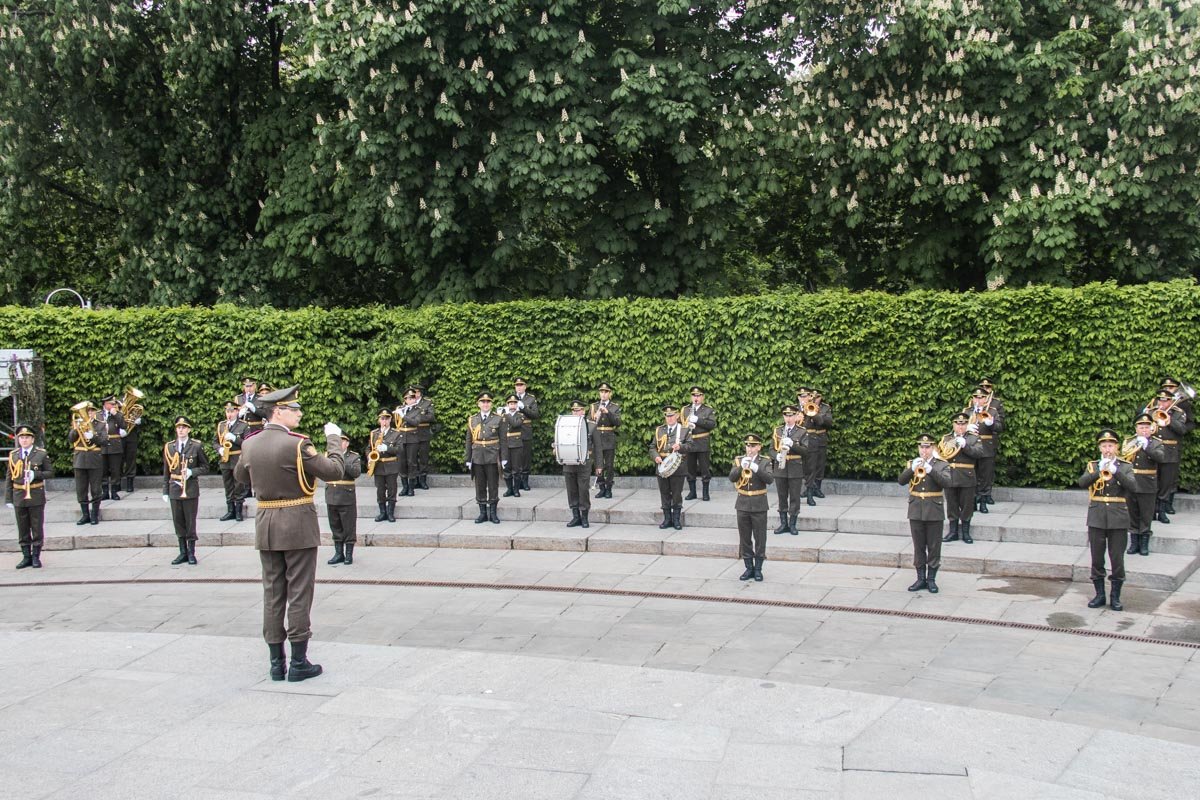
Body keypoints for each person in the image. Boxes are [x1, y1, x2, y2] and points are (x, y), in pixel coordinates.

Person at [233, 385, 346, 682]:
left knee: (272, 593)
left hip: (266, 521)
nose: (299, 413)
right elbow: (334, 471)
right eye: (294, 409)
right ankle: (298, 662)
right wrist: (334, 439)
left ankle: (275, 664)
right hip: (297, 522)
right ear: (278, 411)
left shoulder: (250, 443)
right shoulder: (298, 444)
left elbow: (240, 476)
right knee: (299, 591)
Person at [1077, 429, 1137, 611]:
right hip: (1096, 517)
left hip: (1118, 517)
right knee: (1097, 558)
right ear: (1100, 448)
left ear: (1117, 447)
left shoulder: (1125, 466)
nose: (1107, 449)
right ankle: (1100, 595)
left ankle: (1115, 597)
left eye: (1110, 445)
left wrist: (1116, 472)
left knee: (1117, 558)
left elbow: (1133, 486)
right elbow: (1082, 483)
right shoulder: (1093, 465)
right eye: (1104, 446)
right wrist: (1098, 471)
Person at [898, 433, 952, 593]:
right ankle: (920, 578)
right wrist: (912, 469)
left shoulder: (941, 465)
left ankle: (931, 579)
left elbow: (947, 483)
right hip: (915, 510)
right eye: (922, 447)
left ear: (933, 448)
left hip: (934, 510)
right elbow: (901, 480)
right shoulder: (912, 463)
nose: (924, 450)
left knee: (934, 546)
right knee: (919, 546)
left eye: (927, 447)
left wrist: (931, 470)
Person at [162, 416, 208, 566]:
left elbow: (205, 467)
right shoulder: (169, 447)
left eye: (184, 427)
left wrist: (191, 472)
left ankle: (191, 552)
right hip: (175, 487)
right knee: (178, 521)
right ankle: (182, 552)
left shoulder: (196, 446)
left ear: (188, 429)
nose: (181, 430)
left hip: (190, 488)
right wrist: (165, 490)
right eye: (178, 427)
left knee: (190, 521)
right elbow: (166, 471)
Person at [6, 424, 52, 569]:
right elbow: (9, 478)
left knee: (37, 526)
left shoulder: (41, 454)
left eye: (27, 438)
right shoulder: (14, 455)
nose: (24, 440)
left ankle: (36, 557)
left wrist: (36, 474)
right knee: (23, 528)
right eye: (22, 438)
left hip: (35, 494)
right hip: (19, 494)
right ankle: (26, 556)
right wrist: (9, 498)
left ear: (32, 439)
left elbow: (50, 473)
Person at [730, 434, 775, 581]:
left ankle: (758, 569)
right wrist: (739, 468)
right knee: (745, 538)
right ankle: (748, 567)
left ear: (759, 447)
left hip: (759, 504)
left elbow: (769, 480)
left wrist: (755, 468)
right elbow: (732, 477)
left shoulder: (765, 462)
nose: (750, 449)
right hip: (742, 504)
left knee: (760, 538)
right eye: (748, 446)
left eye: (753, 446)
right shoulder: (738, 460)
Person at [940, 412, 986, 544]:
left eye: (964, 424)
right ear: (953, 424)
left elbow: (979, 453)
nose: (960, 427)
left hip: (967, 476)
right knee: (952, 504)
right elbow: (941, 455)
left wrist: (965, 445)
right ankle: (953, 532)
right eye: (958, 424)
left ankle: (966, 532)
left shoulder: (973, 438)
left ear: (967, 425)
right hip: (950, 476)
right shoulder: (946, 438)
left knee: (967, 505)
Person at [1125, 413, 1166, 557]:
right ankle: (1134, 541)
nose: (1144, 430)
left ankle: (1144, 542)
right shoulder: (1129, 441)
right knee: (1133, 513)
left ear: (1151, 428)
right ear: (1136, 428)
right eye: (1141, 427)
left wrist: (1146, 446)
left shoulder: (1156, 442)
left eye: (1147, 427)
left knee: (1146, 514)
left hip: (1148, 483)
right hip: (1131, 482)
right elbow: (1124, 457)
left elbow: (1160, 458)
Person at [466, 392, 510, 524]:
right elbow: (469, 440)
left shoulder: (498, 419)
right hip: (477, 456)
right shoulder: (472, 419)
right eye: (483, 402)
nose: (485, 404)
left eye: (488, 402)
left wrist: (504, 458)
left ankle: (493, 513)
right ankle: (482, 513)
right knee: (479, 485)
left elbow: (503, 439)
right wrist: (468, 458)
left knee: (493, 484)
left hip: (492, 455)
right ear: (478, 404)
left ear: (491, 404)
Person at [649, 404, 693, 530]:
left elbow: (690, 446)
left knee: (676, 494)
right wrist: (656, 457)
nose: (669, 418)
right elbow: (652, 447)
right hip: (662, 465)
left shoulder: (684, 430)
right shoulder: (659, 430)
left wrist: (681, 447)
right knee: (664, 493)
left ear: (677, 416)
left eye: (672, 416)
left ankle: (676, 519)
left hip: (678, 467)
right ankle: (667, 519)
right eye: (667, 416)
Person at [1146, 389, 1186, 523]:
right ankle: (1151, 511)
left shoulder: (1178, 413)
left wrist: (1169, 421)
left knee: (1166, 483)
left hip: (1170, 452)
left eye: (1165, 400)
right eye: (1160, 400)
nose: (1162, 403)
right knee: (1153, 481)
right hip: (1154, 451)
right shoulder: (1151, 412)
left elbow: (1182, 430)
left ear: (1170, 401)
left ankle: (1162, 511)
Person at [557, 399, 599, 528]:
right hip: (568, 463)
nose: (576, 413)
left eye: (579, 410)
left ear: (584, 411)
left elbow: (598, 447)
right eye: (574, 411)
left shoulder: (591, 426)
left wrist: (599, 465)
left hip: (584, 463)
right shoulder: (565, 425)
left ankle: (584, 517)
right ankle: (576, 517)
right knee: (572, 491)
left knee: (583, 490)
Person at [770, 404, 808, 536]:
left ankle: (792, 524)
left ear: (797, 416)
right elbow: (771, 450)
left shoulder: (802, 431)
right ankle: (783, 523)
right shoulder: (778, 431)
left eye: (791, 415)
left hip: (795, 468)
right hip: (780, 468)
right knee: (781, 496)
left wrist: (793, 444)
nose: (788, 418)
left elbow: (806, 451)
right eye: (786, 415)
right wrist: (777, 456)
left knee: (795, 497)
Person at [968, 380, 1006, 511]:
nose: (978, 399)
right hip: (971, 447)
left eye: (981, 397)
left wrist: (991, 424)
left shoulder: (993, 411)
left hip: (986, 446)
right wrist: (967, 427)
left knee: (986, 475)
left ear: (985, 399)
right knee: (971, 474)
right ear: (972, 399)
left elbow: (1001, 427)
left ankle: (984, 501)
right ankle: (972, 500)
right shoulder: (967, 411)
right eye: (976, 397)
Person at [325, 435, 362, 565]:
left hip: (346, 495)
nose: (339, 444)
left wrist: (341, 460)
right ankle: (338, 553)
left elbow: (356, 472)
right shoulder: (328, 456)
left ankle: (348, 554)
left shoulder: (353, 456)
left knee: (348, 526)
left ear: (347, 443)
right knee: (335, 525)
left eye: (342, 441)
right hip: (332, 495)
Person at [68, 400, 106, 526]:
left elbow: (104, 441)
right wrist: (76, 428)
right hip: (80, 459)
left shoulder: (100, 425)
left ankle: (94, 514)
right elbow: (71, 439)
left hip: (94, 458)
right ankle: (85, 515)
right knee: (81, 489)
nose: (89, 413)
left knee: (96, 488)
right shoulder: (77, 423)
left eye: (91, 411)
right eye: (87, 411)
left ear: (95, 412)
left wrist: (93, 437)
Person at [797, 387, 833, 505]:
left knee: (817, 466)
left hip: (816, 440)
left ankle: (813, 489)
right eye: (801, 396)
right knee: (805, 467)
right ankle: (809, 488)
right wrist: (802, 410)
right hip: (802, 440)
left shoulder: (822, 408)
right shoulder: (796, 409)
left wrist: (812, 412)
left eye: (805, 396)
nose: (804, 398)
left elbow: (823, 422)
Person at [216, 400, 250, 522]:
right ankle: (230, 510)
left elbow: (247, 443)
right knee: (228, 485)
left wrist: (235, 438)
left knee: (238, 484)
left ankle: (239, 511)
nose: (229, 414)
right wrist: (219, 449)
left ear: (237, 411)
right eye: (227, 411)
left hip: (237, 458)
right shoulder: (221, 425)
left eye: (231, 411)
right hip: (225, 459)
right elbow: (214, 442)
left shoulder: (243, 425)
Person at [683, 386, 717, 501]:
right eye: (693, 395)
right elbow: (681, 426)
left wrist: (698, 420)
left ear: (703, 397)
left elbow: (712, 425)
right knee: (690, 469)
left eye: (698, 396)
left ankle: (705, 493)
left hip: (702, 442)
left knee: (704, 469)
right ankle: (692, 492)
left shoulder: (708, 410)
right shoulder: (685, 409)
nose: (695, 398)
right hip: (690, 442)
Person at [367, 409, 401, 522]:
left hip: (391, 465)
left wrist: (387, 448)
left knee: (392, 489)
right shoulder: (374, 433)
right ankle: (382, 512)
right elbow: (368, 448)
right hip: (378, 466)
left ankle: (390, 513)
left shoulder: (396, 433)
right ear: (379, 420)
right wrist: (369, 457)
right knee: (380, 490)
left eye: (387, 418)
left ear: (390, 419)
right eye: (382, 419)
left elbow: (399, 449)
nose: (384, 421)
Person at [589, 382, 621, 498]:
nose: (603, 394)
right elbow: (589, 423)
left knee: (609, 465)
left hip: (608, 438)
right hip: (597, 438)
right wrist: (594, 418)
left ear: (610, 393)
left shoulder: (614, 407)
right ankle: (601, 487)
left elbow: (617, 423)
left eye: (606, 392)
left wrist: (608, 413)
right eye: (601, 392)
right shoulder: (593, 407)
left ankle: (608, 488)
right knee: (598, 464)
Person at [99, 394, 127, 501]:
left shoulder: (118, 414)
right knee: (103, 470)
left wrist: (116, 415)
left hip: (115, 445)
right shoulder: (98, 415)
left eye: (114, 404)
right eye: (111, 404)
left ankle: (114, 491)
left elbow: (124, 426)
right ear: (105, 404)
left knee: (115, 470)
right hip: (102, 445)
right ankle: (105, 492)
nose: (113, 406)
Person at [513, 378, 540, 491]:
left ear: (525, 386)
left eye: (521, 385)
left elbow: (535, 414)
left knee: (525, 457)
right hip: (513, 431)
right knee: (515, 457)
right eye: (517, 385)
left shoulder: (530, 398)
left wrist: (524, 408)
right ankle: (516, 482)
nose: (519, 387)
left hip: (525, 430)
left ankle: (525, 481)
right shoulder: (511, 398)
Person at [394, 391, 421, 497]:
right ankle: (404, 487)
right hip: (401, 439)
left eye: (412, 398)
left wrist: (403, 416)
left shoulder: (417, 410)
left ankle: (411, 488)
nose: (410, 401)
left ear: (415, 399)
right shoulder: (400, 409)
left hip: (412, 438)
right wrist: (399, 413)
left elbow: (416, 422)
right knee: (401, 463)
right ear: (405, 400)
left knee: (412, 463)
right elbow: (395, 424)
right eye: (408, 399)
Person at [410, 384, 436, 490]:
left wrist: (417, 417)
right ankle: (415, 479)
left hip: (423, 432)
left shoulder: (427, 403)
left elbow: (431, 416)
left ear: (420, 392)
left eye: (415, 392)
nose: (414, 394)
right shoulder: (408, 403)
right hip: (412, 433)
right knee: (412, 458)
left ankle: (423, 480)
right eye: (412, 392)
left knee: (423, 457)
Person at [501, 395, 525, 498]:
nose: (512, 405)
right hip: (505, 444)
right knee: (506, 468)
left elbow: (515, 424)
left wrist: (507, 415)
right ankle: (509, 489)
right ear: (507, 404)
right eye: (510, 403)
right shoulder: (502, 416)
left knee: (516, 469)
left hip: (516, 444)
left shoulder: (520, 415)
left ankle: (516, 490)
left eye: (514, 403)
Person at [121, 403, 143, 495]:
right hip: (119, 436)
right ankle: (117, 484)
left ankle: (130, 483)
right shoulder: (117, 408)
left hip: (131, 437)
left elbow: (140, 425)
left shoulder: (133, 409)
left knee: (131, 459)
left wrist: (139, 422)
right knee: (118, 460)